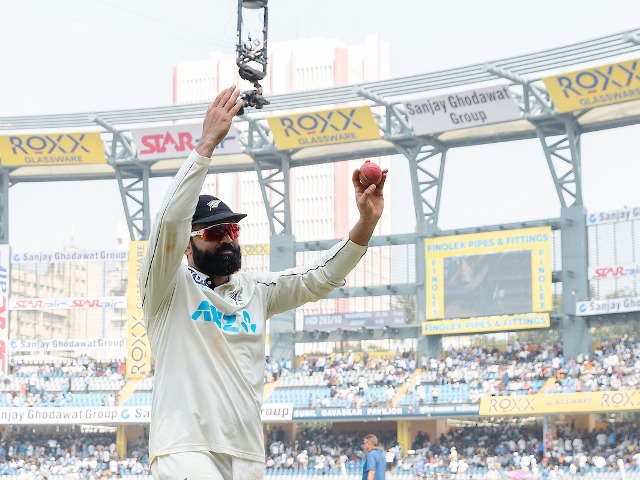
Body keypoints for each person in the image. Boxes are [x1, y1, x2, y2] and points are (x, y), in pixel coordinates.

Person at [139, 85, 388, 480]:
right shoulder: (165, 290)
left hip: (246, 450)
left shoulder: (256, 289)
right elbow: (169, 223)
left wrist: (367, 222)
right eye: (213, 231)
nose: (225, 237)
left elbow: (319, 278)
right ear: (187, 246)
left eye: (232, 230)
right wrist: (206, 144)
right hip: (185, 446)